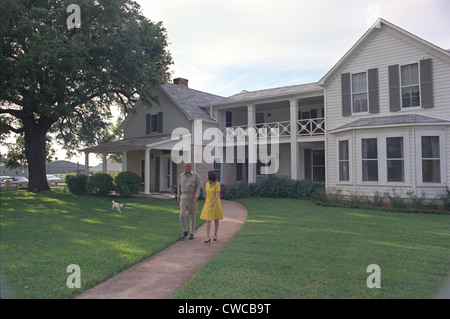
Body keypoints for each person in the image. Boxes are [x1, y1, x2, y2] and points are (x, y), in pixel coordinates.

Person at [177, 163, 201, 240]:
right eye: (186, 166)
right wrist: (178, 196)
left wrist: (197, 196)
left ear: (191, 167)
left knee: (192, 216)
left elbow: (198, 186)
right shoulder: (181, 175)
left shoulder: (195, 175)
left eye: (189, 166)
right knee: (182, 215)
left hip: (192, 197)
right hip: (183, 196)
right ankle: (184, 231)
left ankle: (192, 233)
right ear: (184, 167)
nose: (187, 168)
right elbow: (179, 186)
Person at [200, 170, 223, 244]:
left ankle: (215, 235)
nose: (206, 176)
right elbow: (207, 195)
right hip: (208, 203)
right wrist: (204, 203)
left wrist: (213, 202)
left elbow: (217, 196)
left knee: (216, 219)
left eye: (207, 175)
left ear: (210, 176)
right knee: (208, 220)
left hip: (216, 203)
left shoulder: (217, 185)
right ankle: (207, 237)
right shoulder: (207, 184)